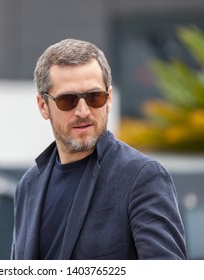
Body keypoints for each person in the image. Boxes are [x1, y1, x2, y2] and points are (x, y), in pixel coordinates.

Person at [11, 39, 187, 260]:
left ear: (109, 99)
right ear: (43, 106)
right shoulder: (28, 186)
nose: (83, 111)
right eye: (68, 100)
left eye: (95, 97)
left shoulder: (141, 177)